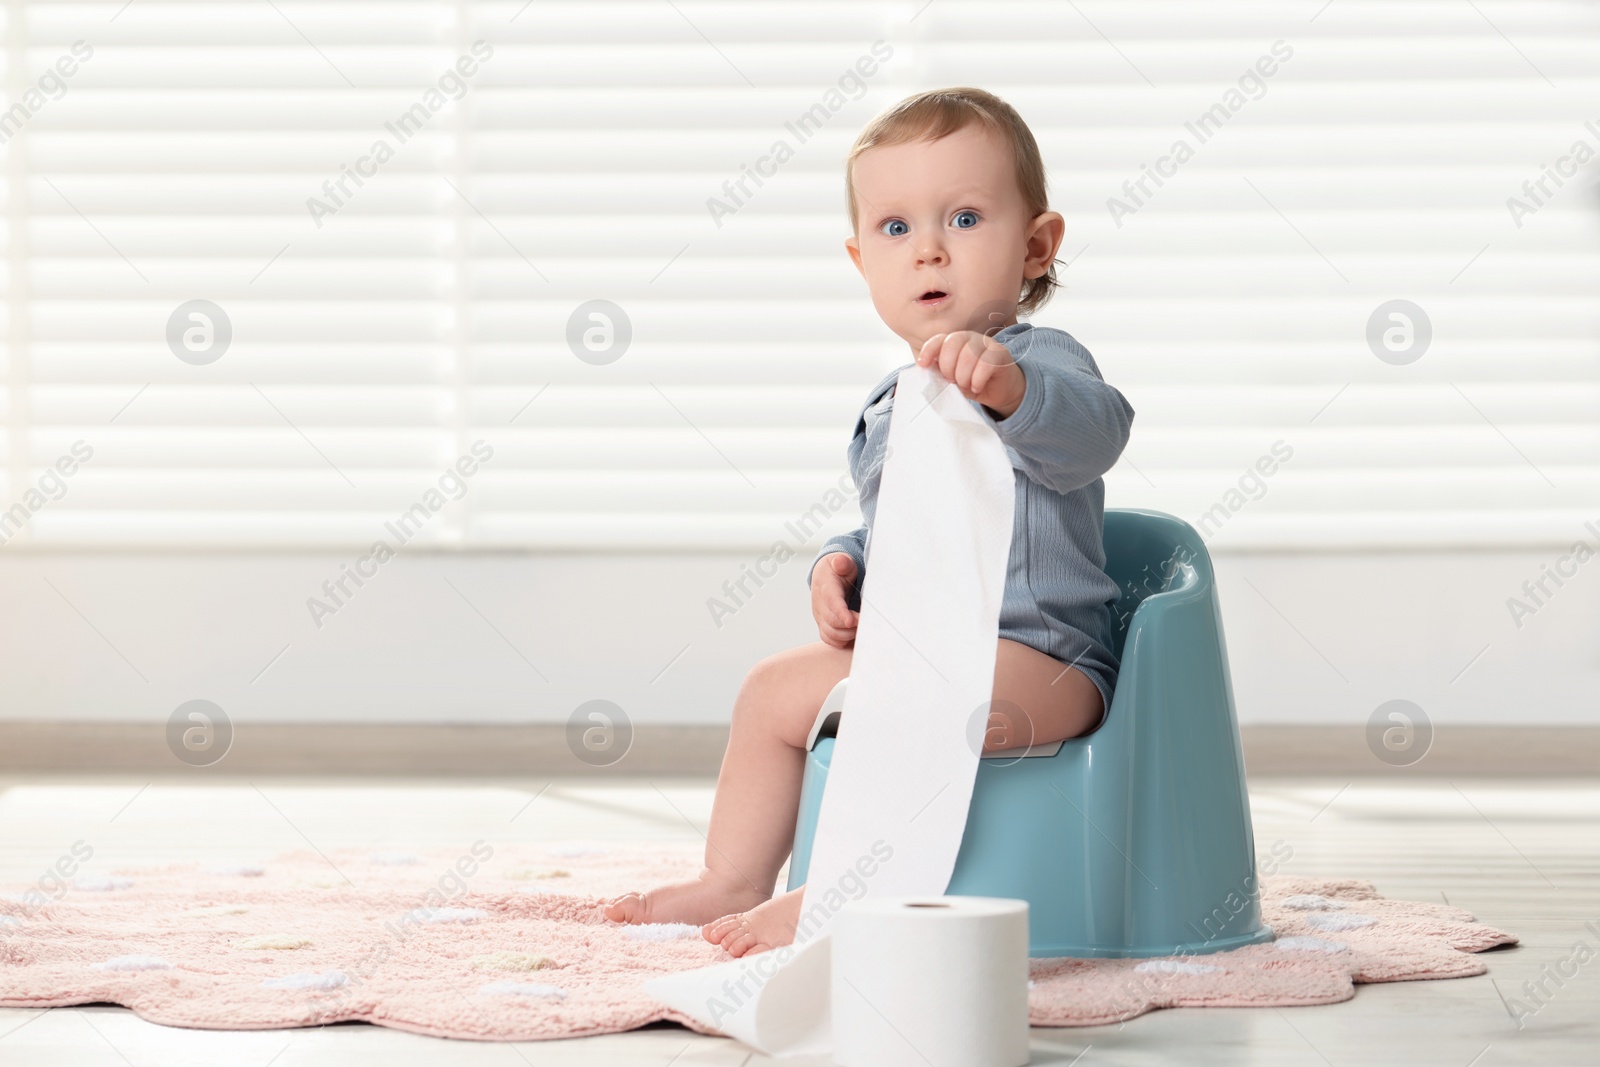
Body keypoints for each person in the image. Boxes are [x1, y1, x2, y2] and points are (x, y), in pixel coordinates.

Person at [602, 87, 1135, 958]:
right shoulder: (894, 403)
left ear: (1035, 246)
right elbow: (906, 529)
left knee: (917, 701)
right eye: (895, 229)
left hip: (1045, 661)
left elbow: (1096, 435)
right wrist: (841, 563)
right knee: (771, 690)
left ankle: (843, 887)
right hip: (922, 652)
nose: (927, 248)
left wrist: (1013, 391)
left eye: (964, 217)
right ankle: (732, 876)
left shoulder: (1042, 361)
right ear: (861, 261)